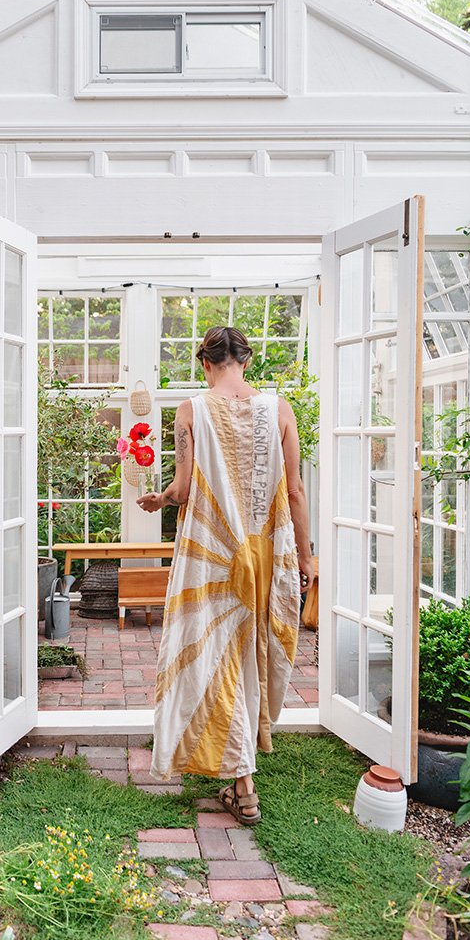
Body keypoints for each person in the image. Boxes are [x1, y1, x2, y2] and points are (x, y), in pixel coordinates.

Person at [137, 326, 313, 823]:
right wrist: (304, 556)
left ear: (205, 364)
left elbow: (184, 488)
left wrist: (160, 499)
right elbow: (295, 490)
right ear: (247, 361)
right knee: (251, 652)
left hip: (211, 552)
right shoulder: (279, 411)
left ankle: (242, 779)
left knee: (211, 652)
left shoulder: (191, 411)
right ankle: (242, 773)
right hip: (265, 549)